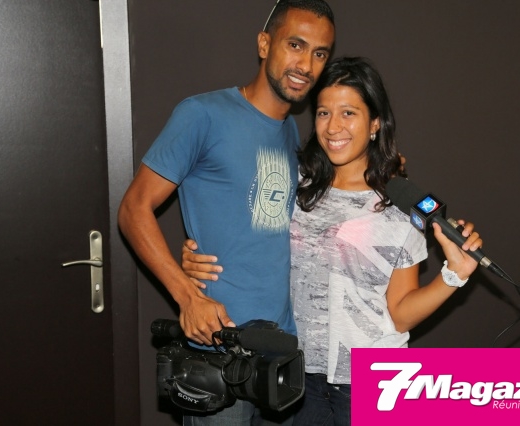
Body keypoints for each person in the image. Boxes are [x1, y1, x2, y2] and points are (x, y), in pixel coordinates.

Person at [183, 57, 484, 425]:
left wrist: (454, 275)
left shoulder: (400, 207)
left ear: (375, 123)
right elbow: (250, 242)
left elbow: (399, 313)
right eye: (324, 113)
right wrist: (198, 254)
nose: (333, 126)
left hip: (372, 384)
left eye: (349, 113)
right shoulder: (296, 184)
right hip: (295, 377)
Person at [117, 1, 335, 424]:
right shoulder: (202, 114)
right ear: (264, 43)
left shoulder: (291, 131)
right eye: (295, 45)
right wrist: (186, 294)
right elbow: (133, 208)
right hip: (219, 351)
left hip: (279, 352)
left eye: (319, 53)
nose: (306, 65)